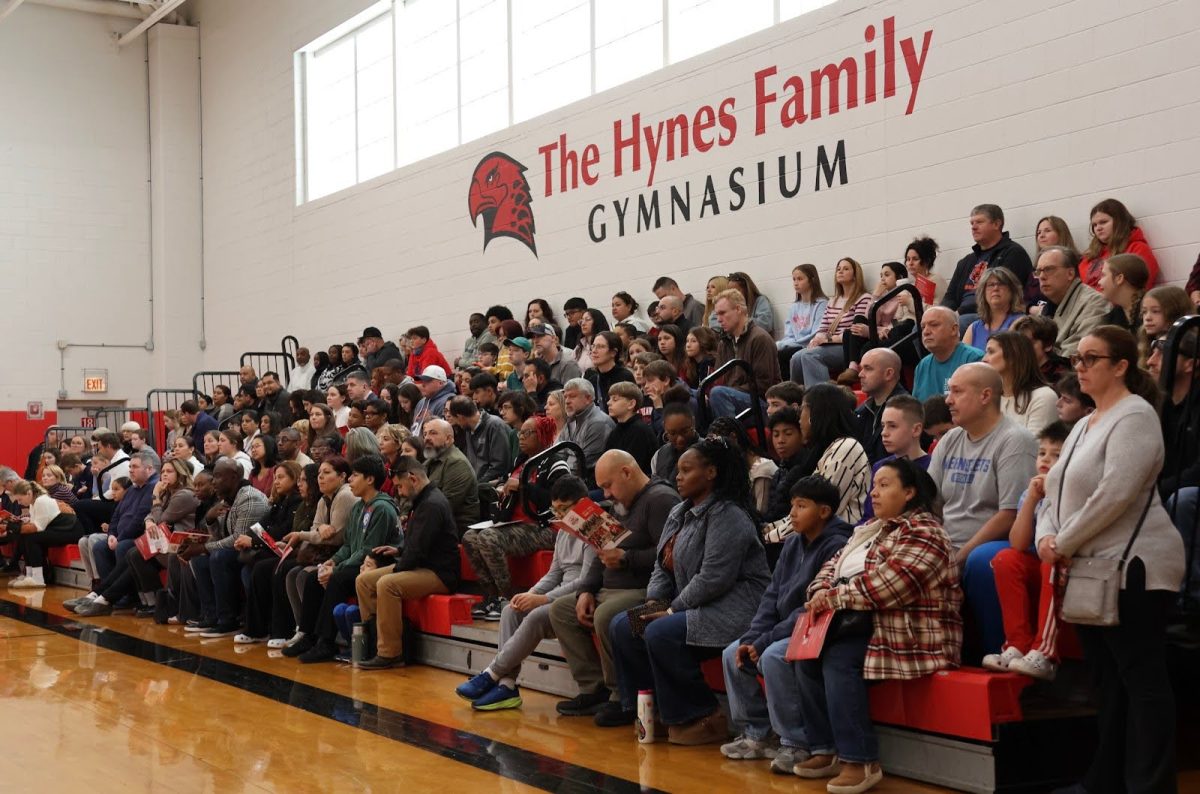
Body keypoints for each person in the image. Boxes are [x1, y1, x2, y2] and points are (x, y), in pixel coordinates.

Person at [1036, 327, 1182, 794]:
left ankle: (1150, 785)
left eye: (1090, 359)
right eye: (1076, 359)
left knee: (1142, 681)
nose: (1079, 367)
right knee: (1109, 683)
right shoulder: (1084, 422)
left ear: (1120, 366)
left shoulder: (1136, 416)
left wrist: (1064, 541)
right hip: (1091, 566)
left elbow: (1115, 493)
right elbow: (1052, 488)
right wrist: (1045, 534)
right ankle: (1104, 781)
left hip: (1136, 568)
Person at [796, 458, 962, 792]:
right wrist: (819, 591)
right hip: (859, 620)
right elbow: (832, 566)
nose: (875, 492)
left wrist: (833, 597)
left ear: (910, 492)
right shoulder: (869, 529)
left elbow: (891, 585)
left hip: (905, 631)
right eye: (874, 485)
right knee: (804, 656)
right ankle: (823, 749)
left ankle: (860, 760)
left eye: (884, 485)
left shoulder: (926, 532)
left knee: (839, 660)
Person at [608, 438, 770, 742]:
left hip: (735, 609)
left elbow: (714, 578)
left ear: (711, 472)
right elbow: (661, 565)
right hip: (694, 605)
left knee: (660, 631)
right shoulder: (679, 512)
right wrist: (655, 601)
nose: (677, 477)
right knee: (625, 625)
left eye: (686, 470)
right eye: (677, 470)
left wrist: (670, 610)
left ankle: (703, 714)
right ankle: (650, 711)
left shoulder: (729, 515)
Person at [720, 475, 853, 769]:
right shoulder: (792, 544)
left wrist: (764, 640)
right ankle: (757, 734)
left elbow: (808, 609)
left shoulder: (837, 545)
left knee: (775, 656)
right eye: (791, 505)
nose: (792, 513)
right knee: (733, 652)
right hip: (783, 627)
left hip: (815, 625)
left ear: (824, 511)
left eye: (801, 506)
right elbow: (771, 596)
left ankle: (796, 742)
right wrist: (754, 636)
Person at [549, 450, 680, 721]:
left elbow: (670, 555)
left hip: (643, 588)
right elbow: (601, 549)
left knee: (607, 615)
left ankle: (622, 695)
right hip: (609, 587)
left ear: (627, 472)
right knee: (561, 609)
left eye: (608, 486)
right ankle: (593, 688)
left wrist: (627, 559)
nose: (606, 495)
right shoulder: (620, 502)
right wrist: (585, 589)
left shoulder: (660, 500)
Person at [455, 475, 597, 710]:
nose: (559, 515)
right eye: (555, 509)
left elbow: (587, 581)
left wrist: (542, 599)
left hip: (582, 596)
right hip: (561, 594)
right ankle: (508, 685)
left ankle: (491, 673)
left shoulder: (593, 528)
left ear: (582, 504)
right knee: (512, 610)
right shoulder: (563, 530)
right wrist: (529, 594)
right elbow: (554, 573)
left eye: (564, 509)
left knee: (536, 615)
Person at [928, 363, 1037, 656]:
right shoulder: (949, 439)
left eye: (957, 392)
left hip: (993, 545)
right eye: (948, 391)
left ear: (986, 396)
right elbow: (929, 505)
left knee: (979, 561)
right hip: (948, 543)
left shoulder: (1015, 441)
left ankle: (996, 652)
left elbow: (1010, 514)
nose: (948, 400)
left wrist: (957, 557)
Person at [286, 455, 400, 663]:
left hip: (376, 566)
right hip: (356, 563)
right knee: (313, 578)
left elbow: (368, 549)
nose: (350, 480)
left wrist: (337, 569)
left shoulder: (382, 508)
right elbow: (348, 544)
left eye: (354, 476)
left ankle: (326, 642)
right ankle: (308, 635)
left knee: (337, 579)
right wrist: (334, 562)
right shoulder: (359, 507)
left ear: (370, 479)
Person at [355, 455, 463, 669]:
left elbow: (418, 550)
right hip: (423, 565)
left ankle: (391, 653)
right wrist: (399, 550)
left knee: (387, 584)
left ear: (412, 479)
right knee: (364, 580)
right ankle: (374, 642)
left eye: (400, 487)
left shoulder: (432, 504)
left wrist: (396, 567)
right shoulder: (423, 500)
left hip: (439, 573)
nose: (399, 492)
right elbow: (417, 543)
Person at [983, 421, 1069, 679]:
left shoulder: (1072, 490)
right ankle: (1016, 645)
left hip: (1066, 564)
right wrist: (1032, 499)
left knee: (1050, 561)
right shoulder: (1030, 491)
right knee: (1005, 558)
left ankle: (1044, 652)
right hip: (1038, 561)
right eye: (1042, 453)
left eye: (1057, 455)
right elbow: (1018, 543)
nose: (1046, 460)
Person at [466, 415, 572, 620]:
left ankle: (508, 597)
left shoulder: (557, 464)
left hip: (545, 527)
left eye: (527, 433)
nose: (520, 437)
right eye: (519, 433)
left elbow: (560, 502)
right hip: (515, 523)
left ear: (542, 436)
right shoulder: (520, 461)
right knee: (469, 537)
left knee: (489, 538)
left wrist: (524, 487)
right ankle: (491, 596)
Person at [941, 204, 1034, 326]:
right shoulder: (966, 261)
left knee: (957, 325)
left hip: (991, 315)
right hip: (961, 315)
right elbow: (950, 297)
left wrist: (958, 313)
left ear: (996, 224)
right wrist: (942, 314)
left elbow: (1002, 294)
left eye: (979, 222)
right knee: (922, 327)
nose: (973, 227)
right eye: (972, 223)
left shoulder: (1013, 253)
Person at [791, 258, 873, 385]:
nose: (840, 271)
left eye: (846, 269)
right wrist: (817, 339)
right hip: (829, 344)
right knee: (796, 358)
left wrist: (829, 340)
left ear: (855, 275)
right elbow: (823, 328)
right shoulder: (833, 300)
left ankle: (821, 397)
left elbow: (854, 332)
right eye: (838, 269)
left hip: (847, 347)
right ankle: (796, 398)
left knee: (810, 356)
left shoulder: (863, 298)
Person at [802, 384, 872, 524]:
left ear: (814, 414)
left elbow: (818, 512)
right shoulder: (827, 449)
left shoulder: (845, 448)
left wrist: (769, 535)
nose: (799, 419)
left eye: (802, 409)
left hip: (842, 537)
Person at [839, 261, 916, 385]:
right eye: (881, 276)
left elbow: (900, 324)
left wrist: (872, 331)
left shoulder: (904, 295)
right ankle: (852, 369)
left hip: (891, 335)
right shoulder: (883, 297)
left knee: (861, 339)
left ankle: (853, 369)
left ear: (899, 277)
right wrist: (875, 297)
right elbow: (871, 320)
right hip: (878, 333)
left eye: (887, 275)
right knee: (850, 331)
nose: (882, 279)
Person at [709, 289, 780, 419]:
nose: (718, 319)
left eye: (722, 313)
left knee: (719, 394)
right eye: (717, 314)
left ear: (738, 309)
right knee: (690, 395)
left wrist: (729, 391)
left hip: (763, 403)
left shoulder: (759, 338)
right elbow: (718, 380)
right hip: (733, 397)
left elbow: (763, 385)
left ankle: (731, 436)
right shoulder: (724, 343)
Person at [862, 395, 930, 520]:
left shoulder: (932, 467)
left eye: (892, 426)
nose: (884, 432)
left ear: (916, 429)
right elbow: (868, 517)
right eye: (883, 426)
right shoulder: (880, 466)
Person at [1034, 246, 1109, 357]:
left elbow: (1076, 356)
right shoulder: (1046, 309)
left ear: (1070, 273)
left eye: (1048, 269)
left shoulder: (1094, 303)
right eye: (1038, 271)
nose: (1042, 276)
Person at [6, 480, 82, 589]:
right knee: (25, 536)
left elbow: (37, 528)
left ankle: (38, 578)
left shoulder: (41, 501)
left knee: (31, 538)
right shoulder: (33, 502)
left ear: (28, 493)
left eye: (20, 499)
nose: (18, 503)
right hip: (59, 529)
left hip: (71, 530)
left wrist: (11, 527)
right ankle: (29, 575)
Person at [983, 331, 1058, 436]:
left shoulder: (1044, 397)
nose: (984, 359)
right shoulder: (989, 397)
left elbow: (1034, 448)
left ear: (1013, 355)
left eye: (991, 352)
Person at [1078, 198, 1160, 290]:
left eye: (1103, 222)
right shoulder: (1090, 255)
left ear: (1119, 222)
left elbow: (1138, 290)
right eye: (1094, 225)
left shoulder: (1138, 249)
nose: (1098, 228)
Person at [421, 419, 480, 535]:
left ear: (448, 439)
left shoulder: (457, 463)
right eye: (425, 434)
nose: (427, 438)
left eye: (433, 433)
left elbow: (443, 507)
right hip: (434, 523)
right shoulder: (430, 462)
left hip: (455, 529)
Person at [912, 306, 984, 400]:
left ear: (954, 329)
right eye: (923, 327)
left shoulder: (974, 360)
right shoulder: (922, 366)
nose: (926, 332)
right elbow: (916, 409)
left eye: (934, 325)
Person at [853, 348, 908, 463]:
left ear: (888, 374)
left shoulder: (906, 410)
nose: (860, 374)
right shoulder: (861, 411)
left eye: (868, 368)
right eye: (861, 368)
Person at [447, 395, 514, 486]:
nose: (458, 425)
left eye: (457, 421)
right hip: (476, 483)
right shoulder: (468, 429)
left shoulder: (495, 426)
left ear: (460, 417)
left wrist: (477, 485)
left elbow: (499, 466)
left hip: (492, 485)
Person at [558, 378, 616, 480]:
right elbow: (558, 454)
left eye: (572, 396)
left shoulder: (598, 423)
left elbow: (582, 464)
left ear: (588, 398)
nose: (566, 401)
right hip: (568, 479)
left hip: (590, 483)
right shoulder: (571, 420)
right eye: (565, 397)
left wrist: (558, 479)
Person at [776, 264, 829, 374]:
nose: (796, 283)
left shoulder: (821, 304)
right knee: (775, 352)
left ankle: (793, 388)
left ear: (812, 280)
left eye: (800, 279)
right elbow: (789, 335)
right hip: (795, 345)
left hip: (810, 345)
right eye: (794, 279)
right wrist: (781, 344)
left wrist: (788, 345)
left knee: (783, 354)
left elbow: (816, 333)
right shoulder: (794, 307)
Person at [962, 267, 1025, 351]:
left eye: (1001, 284)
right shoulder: (974, 328)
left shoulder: (1021, 322)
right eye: (990, 285)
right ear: (983, 293)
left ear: (1012, 291)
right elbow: (963, 361)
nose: (995, 288)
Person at [603, 382, 658, 475]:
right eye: (609, 399)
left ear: (631, 404)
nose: (608, 403)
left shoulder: (640, 431)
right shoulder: (616, 431)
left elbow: (631, 470)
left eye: (615, 399)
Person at [583, 331, 635, 413]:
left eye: (600, 347)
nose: (594, 351)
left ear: (613, 352)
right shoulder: (591, 378)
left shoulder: (624, 377)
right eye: (593, 346)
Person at [1098, 253, 1149, 333]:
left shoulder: (1151, 311)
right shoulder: (1113, 317)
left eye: (1103, 275)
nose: (1099, 282)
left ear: (1119, 279)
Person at [1012, 314, 1071, 383]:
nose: (1021, 348)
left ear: (1048, 345)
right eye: (1018, 342)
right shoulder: (1016, 371)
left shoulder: (1061, 377)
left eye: (1028, 343)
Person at [650, 402, 698, 485]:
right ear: (664, 427)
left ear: (693, 423)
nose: (680, 439)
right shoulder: (659, 455)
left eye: (685, 431)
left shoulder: (707, 452)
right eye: (673, 433)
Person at [530, 321, 582, 385]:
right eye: (533, 337)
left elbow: (571, 393)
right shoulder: (537, 364)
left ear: (554, 338)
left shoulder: (568, 364)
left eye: (540, 336)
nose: (535, 340)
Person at [410, 365, 457, 435]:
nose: (423, 384)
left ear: (440, 383)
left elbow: (442, 433)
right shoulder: (421, 402)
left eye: (427, 381)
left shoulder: (448, 401)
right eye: (422, 380)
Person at [727, 271, 775, 335]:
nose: (732, 294)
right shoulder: (730, 306)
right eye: (729, 291)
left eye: (735, 291)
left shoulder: (760, 301)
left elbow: (765, 324)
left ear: (746, 289)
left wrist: (741, 321)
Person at [904, 235, 945, 305]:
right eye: (908, 259)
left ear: (926, 261)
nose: (910, 263)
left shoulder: (935, 280)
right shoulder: (911, 286)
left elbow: (934, 311)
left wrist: (909, 302)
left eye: (915, 259)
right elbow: (899, 315)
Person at [684, 326, 719, 390]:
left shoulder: (709, 362)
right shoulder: (692, 364)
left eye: (693, 341)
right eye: (687, 341)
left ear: (703, 342)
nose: (688, 345)